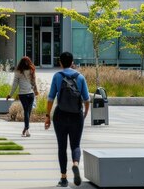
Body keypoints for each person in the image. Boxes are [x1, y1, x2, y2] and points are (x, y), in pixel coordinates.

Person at [44, 51, 90, 187]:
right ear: (72, 62)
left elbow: (50, 99)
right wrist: (84, 114)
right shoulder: (80, 77)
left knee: (62, 146)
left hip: (60, 115)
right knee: (75, 145)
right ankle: (75, 163)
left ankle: (63, 178)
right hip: (76, 116)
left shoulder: (57, 76)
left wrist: (47, 116)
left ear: (60, 63)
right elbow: (87, 100)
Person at [6, 56, 39, 137]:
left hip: (23, 95)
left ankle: (26, 129)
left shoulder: (18, 72)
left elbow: (15, 84)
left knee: (27, 112)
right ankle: (27, 129)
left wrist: (10, 94)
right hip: (31, 94)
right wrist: (36, 91)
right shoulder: (31, 70)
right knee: (28, 112)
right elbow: (34, 82)